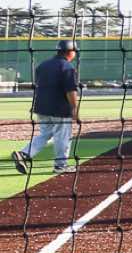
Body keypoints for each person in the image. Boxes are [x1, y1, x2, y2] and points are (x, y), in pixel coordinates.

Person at [14, 39, 82, 175]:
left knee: (45, 134)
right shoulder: (67, 67)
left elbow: (39, 87)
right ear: (70, 52)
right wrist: (74, 108)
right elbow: (70, 91)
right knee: (63, 137)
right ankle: (60, 166)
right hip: (60, 109)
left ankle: (24, 153)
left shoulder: (43, 65)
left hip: (41, 107)